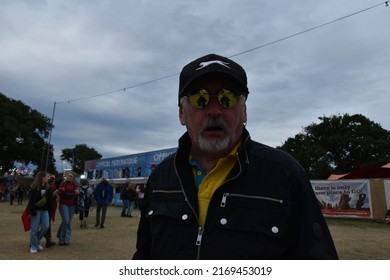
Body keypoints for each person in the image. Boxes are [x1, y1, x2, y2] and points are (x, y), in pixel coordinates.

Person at [133, 53, 338, 260]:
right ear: (181, 114)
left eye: (227, 98)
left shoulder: (285, 174)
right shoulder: (160, 178)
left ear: (244, 111)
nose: (214, 111)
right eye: (200, 99)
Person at [27, 171, 54, 254]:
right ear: (42, 177)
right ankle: (34, 246)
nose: (49, 178)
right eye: (47, 176)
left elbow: (50, 201)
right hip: (36, 210)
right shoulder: (34, 187)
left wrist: (51, 210)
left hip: (45, 210)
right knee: (34, 229)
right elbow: (31, 200)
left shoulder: (49, 188)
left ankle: (35, 241)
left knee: (45, 227)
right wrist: (30, 211)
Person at [56, 171, 79, 245]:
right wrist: (63, 191)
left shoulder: (76, 184)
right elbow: (59, 192)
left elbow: (80, 193)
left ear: (74, 178)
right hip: (63, 203)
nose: (68, 177)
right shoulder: (63, 183)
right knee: (66, 220)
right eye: (68, 176)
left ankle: (66, 238)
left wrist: (78, 192)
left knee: (68, 222)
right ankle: (61, 238)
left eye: (70, 176)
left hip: (72, 204)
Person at [44, 175, 58, 248]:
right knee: (45, 225)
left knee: (47, 224)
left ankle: (48, 240)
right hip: (45, 207)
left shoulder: (51, 186)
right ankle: (47, 238)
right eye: (48, 176)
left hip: (49, 207)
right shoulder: (47, 186)